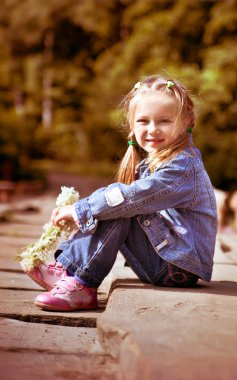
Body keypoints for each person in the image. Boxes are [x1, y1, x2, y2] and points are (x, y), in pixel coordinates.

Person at [27, 75, 218, 312]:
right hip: (165, 260)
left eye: (164, 121)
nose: (152, 129)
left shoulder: (183, 167)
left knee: (121, 201)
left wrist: (80, 209)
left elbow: (133, 199)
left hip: (177, 267)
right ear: (132, 125)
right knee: (116, 199)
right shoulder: (160, 161)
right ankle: (70, 268)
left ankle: (82, 283)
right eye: (143, 121)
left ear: (186, 121)